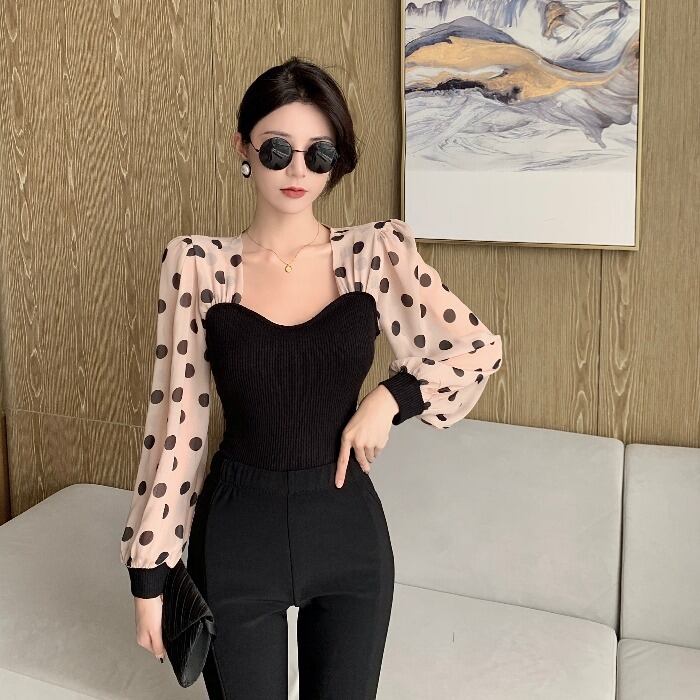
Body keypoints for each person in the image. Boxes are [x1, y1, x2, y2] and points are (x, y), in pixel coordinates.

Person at [119, 56, 503, 699]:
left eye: (319, 153)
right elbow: (175, 426)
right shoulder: (197, 265)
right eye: (278, 149)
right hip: (237, 538)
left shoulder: (373, 254)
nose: (298, 170)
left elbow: (475, 348)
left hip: (348, 536)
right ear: (242, 147)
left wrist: (391, 398)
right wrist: (149, 575)